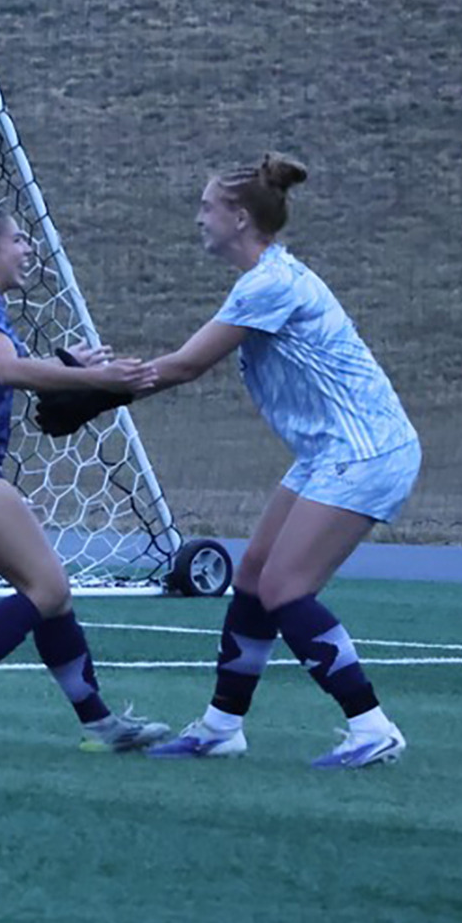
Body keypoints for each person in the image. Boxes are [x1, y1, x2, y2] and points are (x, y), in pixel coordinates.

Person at [141, 154, 418, 769]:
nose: (199, 219)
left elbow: (186, 365)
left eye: (207, 207)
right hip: (331, 451)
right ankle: (220, 727)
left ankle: (373, 728)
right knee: (252, 580)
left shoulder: (270, 284)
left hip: (367, 450)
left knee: (286, 587)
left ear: (240, 218)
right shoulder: (262, 279)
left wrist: (90, 389)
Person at [0, 207, 170, 761]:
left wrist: (66, 362)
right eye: (18, 239)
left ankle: (101, 724)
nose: (28, 248)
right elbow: (8, 371)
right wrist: (96, 377)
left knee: (52, 595)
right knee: (45, 589)